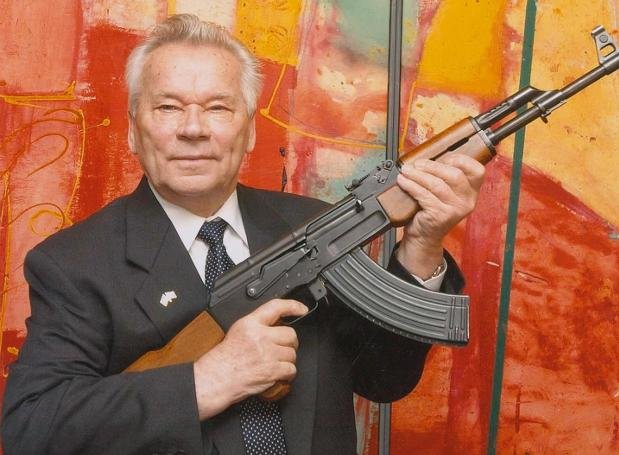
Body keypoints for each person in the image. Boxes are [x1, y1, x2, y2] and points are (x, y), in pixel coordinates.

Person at [1, 14, 485, 455]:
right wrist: (207, 381)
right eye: (168, 107)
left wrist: (422, 244)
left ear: (249, 130)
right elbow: (30, 427)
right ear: (133, 129)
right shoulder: (74, 262)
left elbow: (384, 378)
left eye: (218, 108)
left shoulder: (313, 225)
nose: (193, 129)